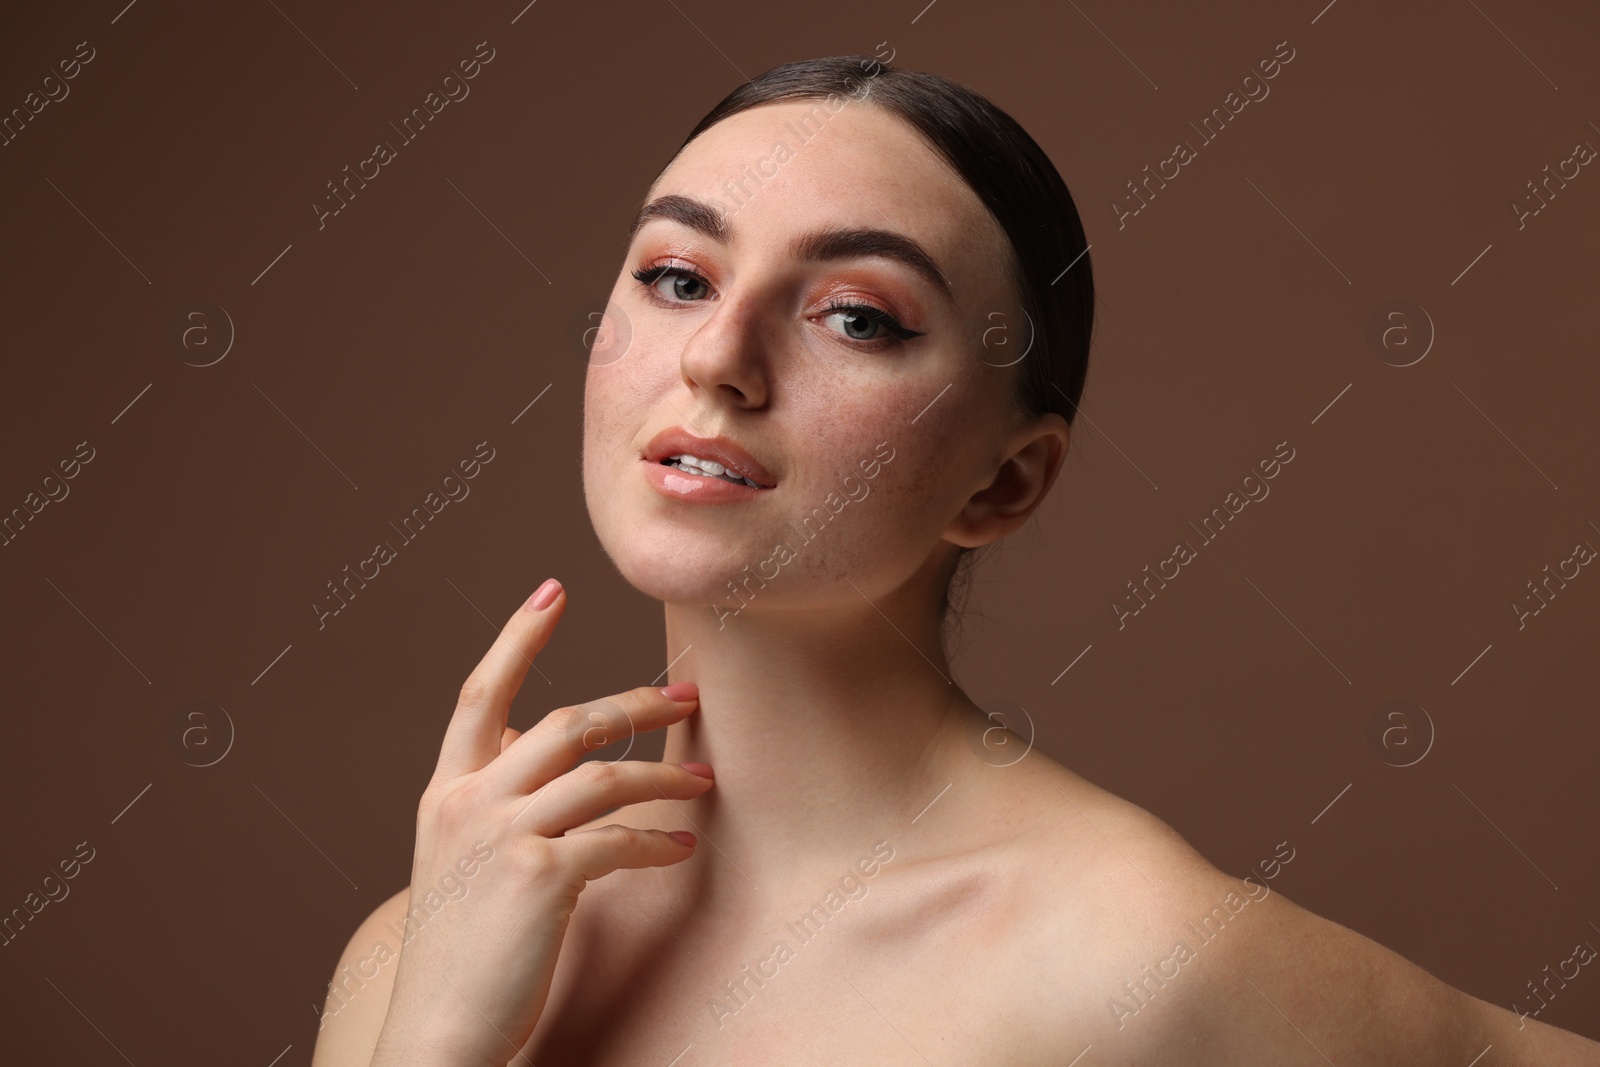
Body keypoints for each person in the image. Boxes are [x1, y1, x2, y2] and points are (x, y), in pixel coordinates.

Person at [311, 56, 1600, 1065]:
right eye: (678, 275)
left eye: (858, 317)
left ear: (1005, 480)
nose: (717, 356)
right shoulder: (423, 948)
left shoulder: (1127, 955)